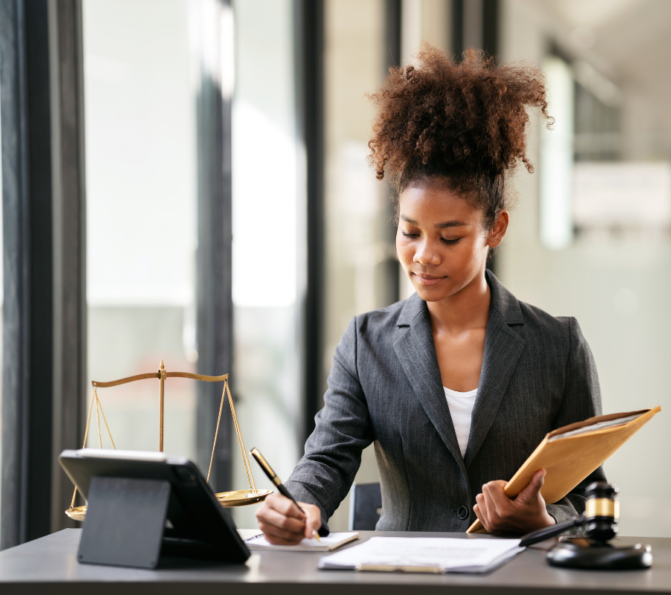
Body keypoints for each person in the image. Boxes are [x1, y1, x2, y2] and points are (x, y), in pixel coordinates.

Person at [256, 44, 605, 544]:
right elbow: (328, 458)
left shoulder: (558, 346)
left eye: (450, 236)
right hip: (401, 576)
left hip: (520, 579)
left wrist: (545, 521)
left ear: (495, 229)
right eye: (409, 231)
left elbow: (594, 496)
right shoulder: (365, 341)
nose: (424, 255)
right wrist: (298, 505)